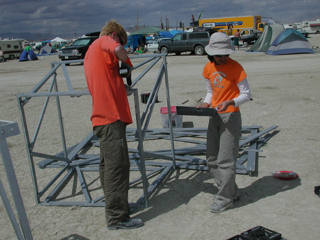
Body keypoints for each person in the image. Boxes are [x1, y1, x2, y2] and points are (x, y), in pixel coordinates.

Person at [84, 19, 144, 230]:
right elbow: (117, 48)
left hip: (104, 118)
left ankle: (118, 207)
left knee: (108, 168)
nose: (123, 45)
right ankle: (117, 218)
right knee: (117, 168)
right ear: (115, 34)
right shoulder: (104, 42)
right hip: (110, 118)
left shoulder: (92, 51)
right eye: (123, 41)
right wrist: (127, 61)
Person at [196, 32, 251, 213]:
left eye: (226, 54)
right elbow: (211, 92)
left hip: (231, 117)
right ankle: (231, 191)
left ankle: (224, 198)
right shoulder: (208, 69)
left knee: (226, 160)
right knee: (212, 159)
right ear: (211, 53)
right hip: (215, 115)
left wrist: (231, 102)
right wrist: (205, 103)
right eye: (219, 55)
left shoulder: (237, 68)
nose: (223, 58)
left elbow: (246, 95)